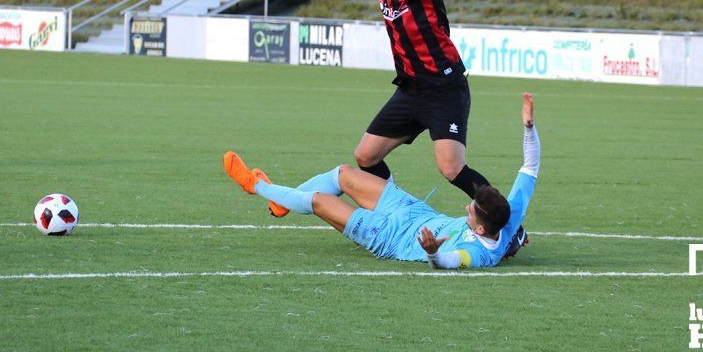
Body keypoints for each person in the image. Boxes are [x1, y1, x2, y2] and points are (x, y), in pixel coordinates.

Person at [221, 94, 541, 269]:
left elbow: (448, 261)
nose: (465, 206)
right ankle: (281, 201)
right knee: (344, 173)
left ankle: (256, 186)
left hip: (390, 238)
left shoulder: (480, 256)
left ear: (481, 229)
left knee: (319, 201)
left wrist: (431, 252)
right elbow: (531, 165)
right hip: (413, 211)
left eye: (471, 210)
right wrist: (529, 127)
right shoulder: (509, 217)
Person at [343, 0, 490, 210]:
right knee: (365, 156)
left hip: (444, 87)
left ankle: (506, 223)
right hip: (411, 90)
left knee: (451, 167)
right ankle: (395, 211)